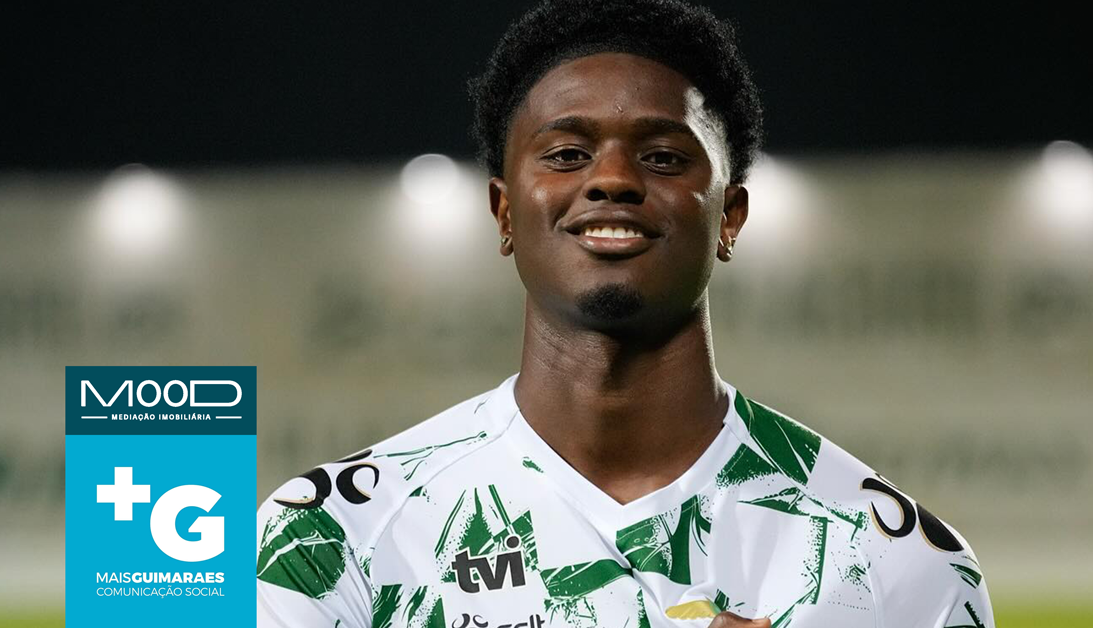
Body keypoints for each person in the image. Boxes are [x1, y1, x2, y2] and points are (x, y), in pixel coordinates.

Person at [256, 1, 995, 626]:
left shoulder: (902, 570)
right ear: (504, 212)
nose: (611, 178)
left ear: (730, 216)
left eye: (664, 158)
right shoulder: (327, 542)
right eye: (567, 154)